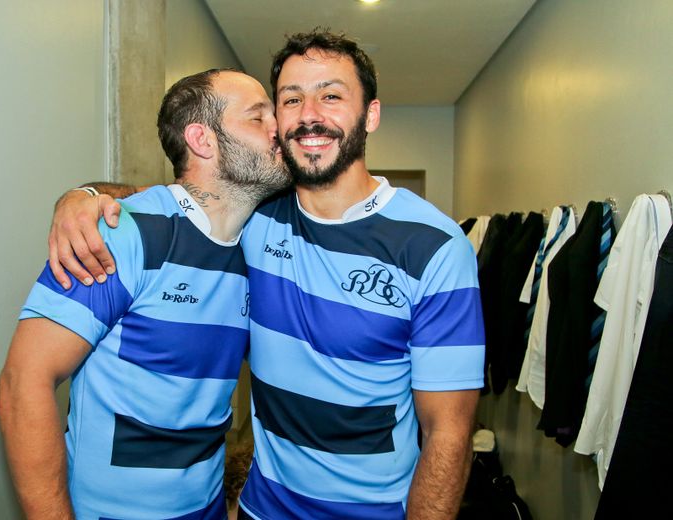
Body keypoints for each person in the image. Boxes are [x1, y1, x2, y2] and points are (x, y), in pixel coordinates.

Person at [49, 30, 485, 520]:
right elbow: (178, 195)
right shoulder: (254, 214)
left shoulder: (437, 247)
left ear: (372, 115)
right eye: (292, 99)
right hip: (262, 508)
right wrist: (83, 197)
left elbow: (449, 434)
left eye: (332, 96)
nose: (310, 114)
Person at [0, 68, 290, 520]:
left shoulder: (258, 247)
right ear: (202, 140)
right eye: (258, 118)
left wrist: (86, 190)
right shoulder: (120, 235)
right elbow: (23, 384)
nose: (280, 129)